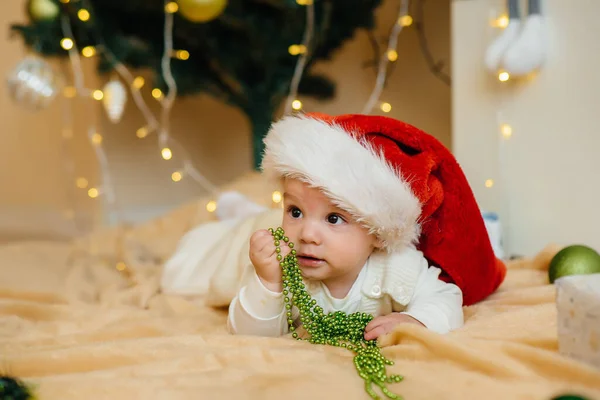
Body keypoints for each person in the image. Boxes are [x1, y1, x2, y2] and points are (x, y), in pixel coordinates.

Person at [227, 113, 507, 339]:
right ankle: (235, 213)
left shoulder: (396, 266)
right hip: (236, 245)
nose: (307, 235)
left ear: (377, 233)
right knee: (219, 254)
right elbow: (246, 334)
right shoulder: (282, 267)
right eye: (295, 211)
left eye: (334, 218)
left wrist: (415, 319)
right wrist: (267, 283)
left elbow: (446, 296)